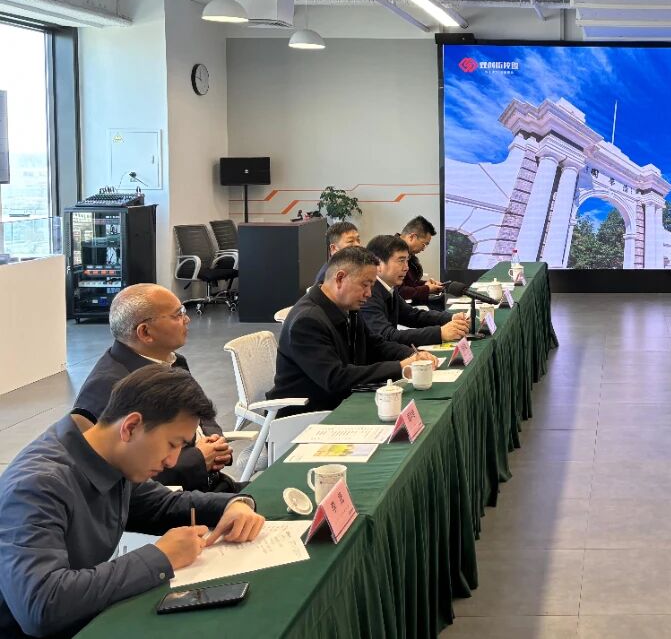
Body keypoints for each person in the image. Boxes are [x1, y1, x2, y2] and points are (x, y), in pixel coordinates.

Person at [0, 365, 266, 637]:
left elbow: (162, 505)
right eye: (172, 444)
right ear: (131, 427)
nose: (173, 461)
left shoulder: (111, 456)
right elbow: (41, 606)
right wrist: (161, 557)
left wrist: (232, 505)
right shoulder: (37, 486)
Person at [72, 284, 237, 492]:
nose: (187, 319)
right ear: (145, 332)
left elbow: (201, 414)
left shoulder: (174, 362)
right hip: (176, 498)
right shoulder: (108, 386)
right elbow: (122, 475)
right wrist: (198, 459)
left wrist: (215, 442)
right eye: (177, 315)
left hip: (212, 485)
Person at [271, 246, 436, 416]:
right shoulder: (307, 321)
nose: (369, 293)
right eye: (365, 285)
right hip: (309, 414)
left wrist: (411, 355)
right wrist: (400, 366)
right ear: (340, 278)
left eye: (371, 286)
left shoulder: (347, 307)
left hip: (342, 399)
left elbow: (375, 345)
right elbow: (336, 378)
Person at [362, 234, 468, 346]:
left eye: (407, 261)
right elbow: (387, 336)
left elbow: (412, 315)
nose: (406, 268)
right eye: (401, 261)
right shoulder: (367, 294)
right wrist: (440, 333)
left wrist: (451, 318)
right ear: (378, 264)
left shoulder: (388, 287)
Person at [398, 216, 445, 309]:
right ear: (412, 237)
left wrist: (425, 284)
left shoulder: (408, 253)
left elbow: (409, 283)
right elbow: (399, 291)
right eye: (424, 244)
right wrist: (427, 289)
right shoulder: (392, 251)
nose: (423, 249)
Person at [314, 221, 361, 286]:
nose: (358, 245)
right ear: (333, 248)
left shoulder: (355, 265)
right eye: (350, 241)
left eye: (358, 240)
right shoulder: (326, 276)